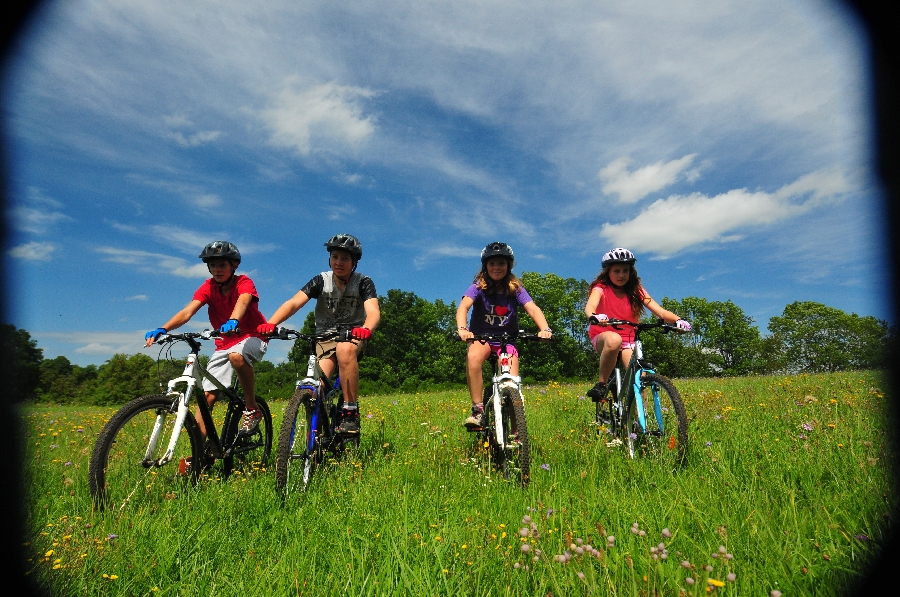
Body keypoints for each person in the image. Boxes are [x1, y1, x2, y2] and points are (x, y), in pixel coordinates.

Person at [257, 234, 379, 435]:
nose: (339, 262)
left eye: (345, 258)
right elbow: (294, 302)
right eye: (335, 256)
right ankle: (314, 445)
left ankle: (350, 411)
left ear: (354, 262)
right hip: (324, 338)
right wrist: (271, 324)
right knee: (316, 390)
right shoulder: (321, 280)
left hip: (352, 335)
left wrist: (365, 329)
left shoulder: (363, 282)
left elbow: (373, 311)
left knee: (344, 348)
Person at [145, 241, 269, 438]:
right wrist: (164, 328)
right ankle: (200, 450)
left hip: (253, 335)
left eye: (222, 265)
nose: (217, 270)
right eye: (213, 265)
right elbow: (188, 312)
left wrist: (233, 320)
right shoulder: (208, 287)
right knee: (207, 396)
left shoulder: (244, 282)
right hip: (224, 342)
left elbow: (244, 300)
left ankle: (252, 409)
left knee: (237, 356)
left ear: (233, 265)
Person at [456, 242, 553, 428]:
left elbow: (532, 309)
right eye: (492, 264)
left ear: (509, 266)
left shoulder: (515, 288)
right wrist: (462, 329)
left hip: (506, 340)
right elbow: (464, 306)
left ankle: (517, 433)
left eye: (501, 263)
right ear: (485, 266)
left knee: (511, 386)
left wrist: (545, 329)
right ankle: (478, 411)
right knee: (473, 357)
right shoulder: (478, 287)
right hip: (481, 338)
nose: (496, 268)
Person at [584, 247, 691, 403]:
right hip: (603, 334)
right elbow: (590, 306)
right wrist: (594, 316)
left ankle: (640, 423)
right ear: (608, 272)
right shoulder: (601, 288)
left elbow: (659, 312)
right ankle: (601, 384)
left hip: (628, 338)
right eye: (617, 271)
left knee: (640, 378)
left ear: (631, 272)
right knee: (614, 340)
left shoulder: (636, 290)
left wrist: (678, 320)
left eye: (625, 271)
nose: (621, 275)